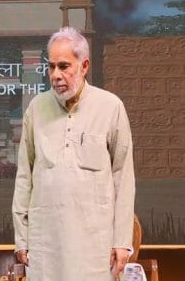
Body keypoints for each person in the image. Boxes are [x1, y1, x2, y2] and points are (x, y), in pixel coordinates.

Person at [12, 26, 135, 280]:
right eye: (51, 67)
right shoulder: (36, 108)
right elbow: (24, 175)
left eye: (64, 66)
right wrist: (22, 238)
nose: (56, 75)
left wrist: (122, 241)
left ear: (84, 65)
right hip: (46, 244)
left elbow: (123, 178)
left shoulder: (110, 107)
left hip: (95, 245)